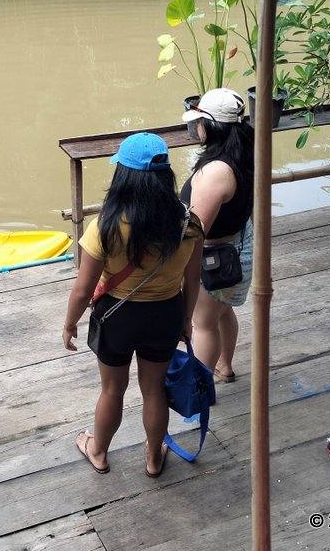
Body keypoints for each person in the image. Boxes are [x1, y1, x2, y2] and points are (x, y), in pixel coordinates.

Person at [63, 132, 203, 478]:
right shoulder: (188, 223)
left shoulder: (106, 226)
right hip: (166, 313)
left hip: (118, 317)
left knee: (112, 389)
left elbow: (82, 290)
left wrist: (69, 324)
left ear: (122, 176)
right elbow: (193, 279)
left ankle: (98, 450)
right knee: (154, 389)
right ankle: (154, 457)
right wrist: (187, 318)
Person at [179, 88, 254, 383]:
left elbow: (196, 231)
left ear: (209, 125)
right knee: (222, 313)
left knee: (203, 323)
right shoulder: (244, 154)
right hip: (237, 246)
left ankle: (199, 386)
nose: (195, 127)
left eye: (198, 121)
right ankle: (225, 365)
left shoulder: (215, 173)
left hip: (215, 259)